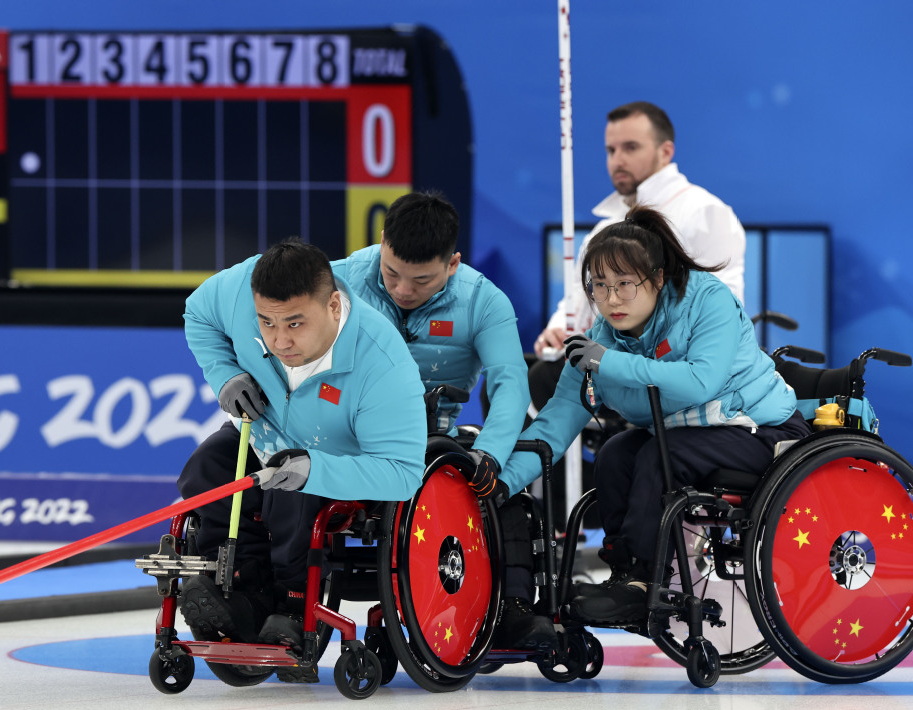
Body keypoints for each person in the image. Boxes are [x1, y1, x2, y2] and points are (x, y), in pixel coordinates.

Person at [506, 205, 808, 625]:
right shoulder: (602, 340)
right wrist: (502, 483)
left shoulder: (708, 300)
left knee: (656, 457)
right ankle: (627, 574)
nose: (611, 300)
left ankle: (646, 583)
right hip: (684, 437)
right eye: (599, 286)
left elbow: (700, 382)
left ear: (658, 278)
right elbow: (556, 421)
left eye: (625, 285)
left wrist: (609, 363)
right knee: (615, 454)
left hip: (761, 432)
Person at [178, 237, 427, 681]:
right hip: (262, 432)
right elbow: (197, 313)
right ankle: (236, 590)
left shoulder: (384, 363)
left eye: (295, 324)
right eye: (267, 324)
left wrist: (316, 468)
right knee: (205, 470)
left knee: (294, 492)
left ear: (333, 305)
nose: (279, 340)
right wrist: (225, 374)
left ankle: (293, 604)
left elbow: (404, 475)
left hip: (334, 460)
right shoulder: (240, 289)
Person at [332, 191, 554, 652]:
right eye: (391, 273)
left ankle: (512, 610)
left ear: (452, 264)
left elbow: (511, 384)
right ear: (381, 242)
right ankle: (277, 605)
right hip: (343, 435)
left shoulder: (485, 301)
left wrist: (489, 455)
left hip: (434, 441)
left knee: (502, 486)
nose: (402, 290)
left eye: (422, 280)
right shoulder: (338, 281)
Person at [528, 100, 749, 542]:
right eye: (611, 149)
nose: (618, 160)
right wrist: (560, 327)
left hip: (688, 374)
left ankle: (607, 526)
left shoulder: (705, 213)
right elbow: (580, 303)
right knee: (528, 376)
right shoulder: (605, 226)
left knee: (555, 383)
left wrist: (617, 353)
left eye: (630, 147)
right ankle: (537, 518)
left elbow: (718, 310)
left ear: (666, 151)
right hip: (616, 356)